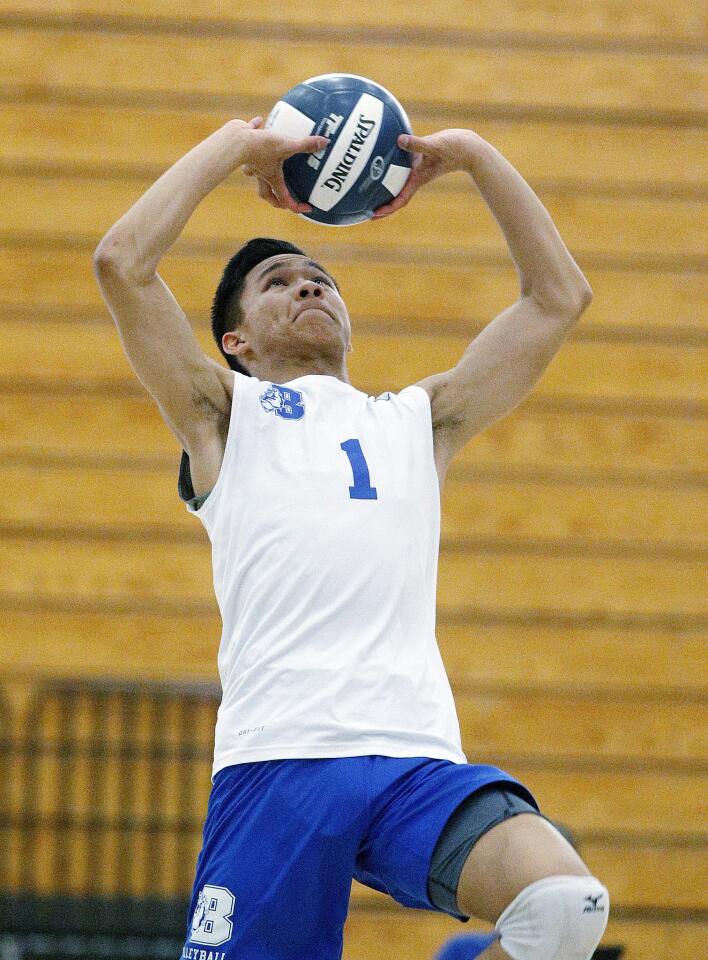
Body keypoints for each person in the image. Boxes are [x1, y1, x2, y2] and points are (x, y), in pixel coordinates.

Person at [93, 116, 609, 960]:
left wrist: (473, 156)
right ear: (238, 342)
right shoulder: (223, 413)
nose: (308, 288)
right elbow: (121, 263)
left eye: (320, 277)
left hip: (416, 760)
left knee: (564, 907)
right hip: (280, 764)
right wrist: (237, 144)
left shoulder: (419, 420)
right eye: (278, 283)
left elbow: (558, 297)